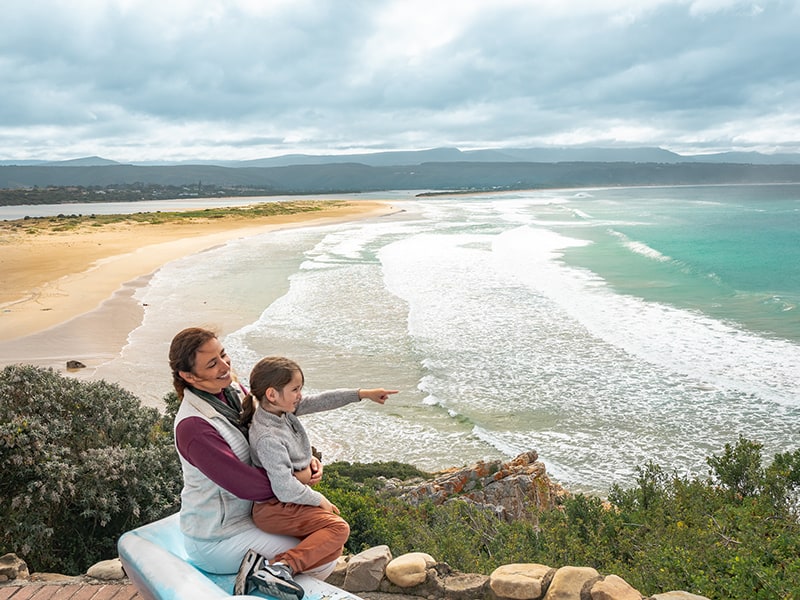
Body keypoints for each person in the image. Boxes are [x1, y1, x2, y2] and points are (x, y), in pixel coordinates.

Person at [168, 327, 395, 599]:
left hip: (254, 515)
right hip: (218, 537)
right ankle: (267, 575)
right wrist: (300, 476)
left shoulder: (233, 392)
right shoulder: (194, 427)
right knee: (323, 555)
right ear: (189, 376)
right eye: (212, 363)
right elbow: (247, 485)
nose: (225, 365)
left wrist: (307, 460)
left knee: (326, 545)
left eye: (223, 354)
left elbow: (274, 440)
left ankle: (264, 572)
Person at [239, 356, 396, 600]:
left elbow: (323, 400)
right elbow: (284, 488)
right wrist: (319, 499)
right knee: (338, 528)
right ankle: (277, 568)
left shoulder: (282, 411)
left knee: (333, 547)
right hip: (273, 508)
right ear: (272, 394)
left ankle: (265, 569)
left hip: (285, 503)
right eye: (295, 389)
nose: (300, 395)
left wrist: (363, 394)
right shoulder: (267, 436)